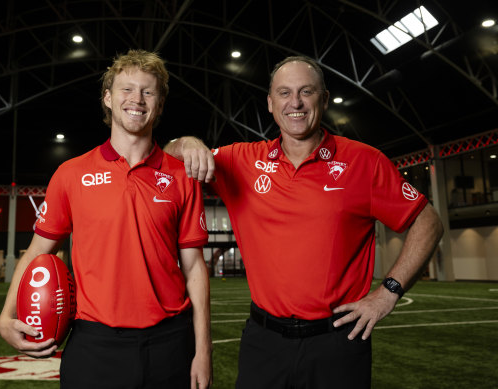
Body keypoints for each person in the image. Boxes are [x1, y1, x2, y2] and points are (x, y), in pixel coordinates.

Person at [165, 55, 443, 388]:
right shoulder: (241, 160)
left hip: (338, 343)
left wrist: (388, 293)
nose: (295, 102)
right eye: (284, 93)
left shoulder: (363, 161)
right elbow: (168, 157)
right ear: (270, 103)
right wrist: (188, 142)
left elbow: (428, 221)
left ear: (323, 99)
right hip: (263, 342)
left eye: (306, 91)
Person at [0, 49, 212, 389]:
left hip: (170, 343)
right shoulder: (71, 173)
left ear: (159, 103)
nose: (137, 100)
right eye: (127, 89)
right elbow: (38, 251)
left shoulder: (182, 176)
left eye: (148, 91)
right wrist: (5, 317)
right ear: (108, 98)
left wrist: (203, 351)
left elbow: (195, 268)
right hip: (94, 345)